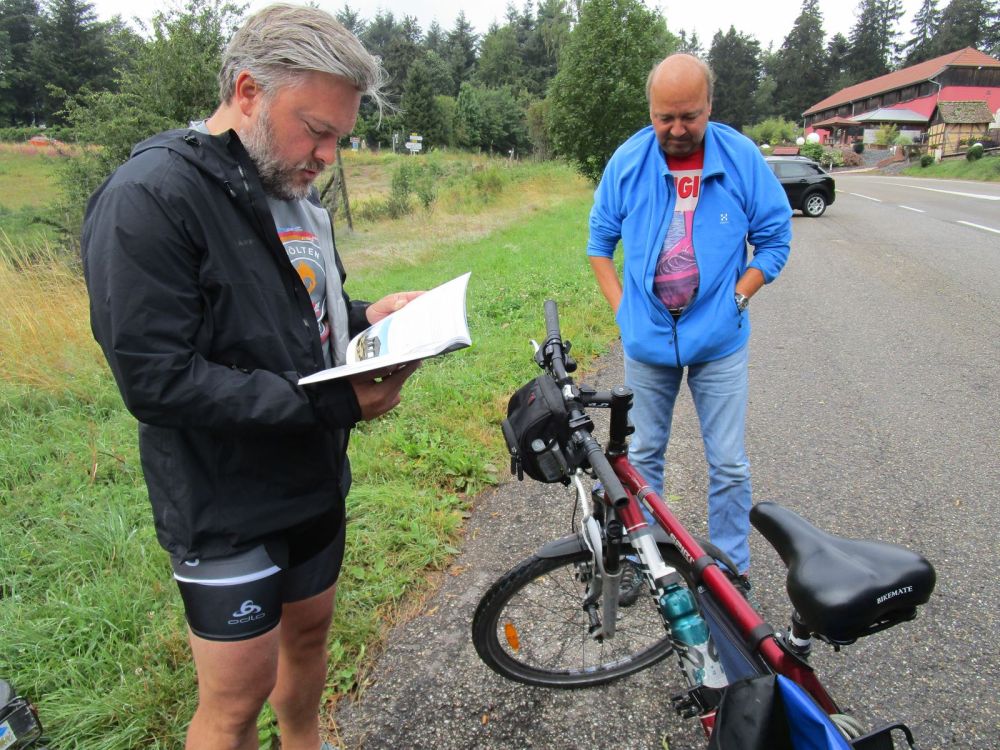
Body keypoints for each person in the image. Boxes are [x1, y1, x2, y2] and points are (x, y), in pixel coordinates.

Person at [81, 5, 421, 748]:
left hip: (313, 478)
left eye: (339, 137)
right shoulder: (151, 197)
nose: (327, 155)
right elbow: (157, 379)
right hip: (225, 502)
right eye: (317, 130)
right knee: (236, 702)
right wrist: (333, 401)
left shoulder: (293, 191)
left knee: (310, 640)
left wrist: (369, 317)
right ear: (247, 92)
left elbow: (299, 319)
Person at [587, 54, 791, 578]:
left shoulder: (741, 158)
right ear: (650, 111)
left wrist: (737, 300)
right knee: (641, 458)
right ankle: (644, 560)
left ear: (710, 106)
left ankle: (731, 570)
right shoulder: (628, 162)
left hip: (719, 343)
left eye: (690, 116)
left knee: (728, 463)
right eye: (665, 118)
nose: (677, 130)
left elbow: (774, 241)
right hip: (647, 343)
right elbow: (599, 245)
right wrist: (624, 313)